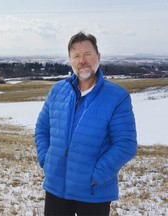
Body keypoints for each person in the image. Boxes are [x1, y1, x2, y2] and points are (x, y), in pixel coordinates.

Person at [35, 31, 137, 216]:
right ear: (70, 60)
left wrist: (94, 177)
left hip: (92, 193)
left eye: (87, 54)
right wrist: (46, 160)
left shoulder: (117, 97)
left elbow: (126, 144)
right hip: (56, 188)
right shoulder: (58, 91)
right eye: (76, 55)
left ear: (98, 56)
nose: (82, 60)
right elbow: (42, 129)